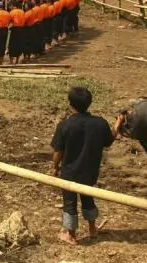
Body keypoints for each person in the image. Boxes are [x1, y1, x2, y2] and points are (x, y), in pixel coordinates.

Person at [51, 87, 123, 245]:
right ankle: (92, 228)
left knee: (69, 202)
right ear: (90, 103)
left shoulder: (65, 125)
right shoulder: (100, 123)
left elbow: (58, 151)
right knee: (88, 197)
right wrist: (117, 125)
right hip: (90, 170)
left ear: (70, 104)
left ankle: (70, 235)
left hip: (70, 172)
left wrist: (55, 167)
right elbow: (109, 141)